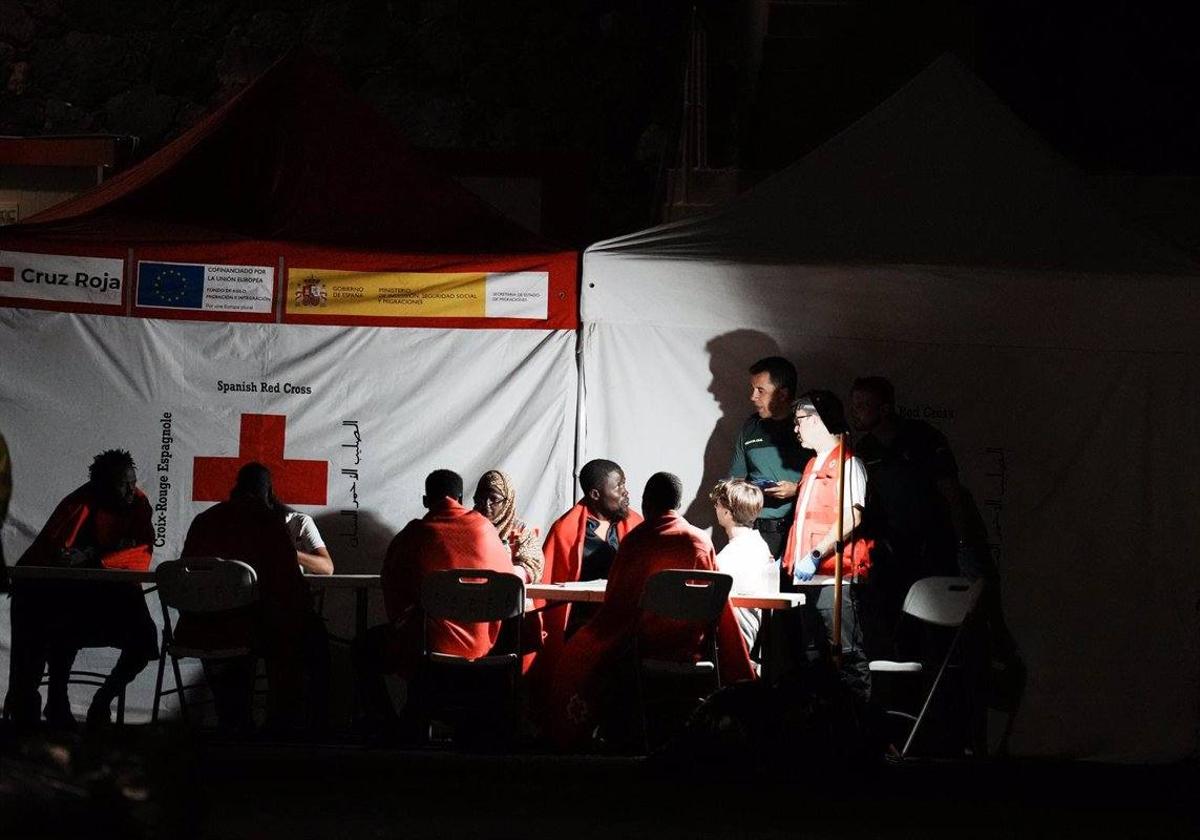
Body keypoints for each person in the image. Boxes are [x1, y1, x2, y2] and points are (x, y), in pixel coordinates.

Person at [545, 472, 755, 750]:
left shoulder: (637, 541)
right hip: (692, 647)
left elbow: (618, 605)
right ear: (677, 503)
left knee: (576, 653)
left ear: (647, 504)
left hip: (644, 649)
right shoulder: (699, 542)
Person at [4, 449, 158, 728]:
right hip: (68, 597)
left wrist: (93, 557)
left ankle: (102, 700)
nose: (131, 490)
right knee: (47, 621)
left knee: (144, 641)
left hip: (116, 596)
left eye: (133, 482)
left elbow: (140, 552)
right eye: (124, 484)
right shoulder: (78, 504)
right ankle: (42, 705)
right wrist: (70, 559)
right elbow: (49, 550)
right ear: (103, 487)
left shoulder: (138, 505)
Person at [353, 469, 517, 729]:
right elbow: (509, 585)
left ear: (426, 501)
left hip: (428, 652)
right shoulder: (486, 531)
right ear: (461, 498)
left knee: (363, 647)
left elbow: (392, 584)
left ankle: (387, 726)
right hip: (485, 649)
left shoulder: (413, 535)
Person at [178, 462, 324, 734]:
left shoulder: (205, 520)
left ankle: (233, 719)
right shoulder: (268, 522)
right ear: (269, 492)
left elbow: (189, 573)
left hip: (199, 627)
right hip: (250, 628)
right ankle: (287, 727)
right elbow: (288, 584)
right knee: (304, 634)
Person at [848, 376, 963, 640]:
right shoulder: (864, 449)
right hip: (889, 552)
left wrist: (962, 541)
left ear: (885, 408)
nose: (856, 412)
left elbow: (950, 491)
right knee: (896, 627)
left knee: (936, 628)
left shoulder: (923, 437)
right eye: (854, 405)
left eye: (863, 405)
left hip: (933, 547)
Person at [781, 391, 874, 700]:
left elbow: (851, 518)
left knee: (845, 655)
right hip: (807, 578)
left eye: (800, 421)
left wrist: (816, 554)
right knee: (811, 656)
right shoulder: (811, 466)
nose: (796, 428)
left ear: (819, 419)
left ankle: (858, 730)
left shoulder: (849, 464)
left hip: (834, 578)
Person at [729, 357, 811, 559]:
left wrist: (797, 489)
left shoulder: (810, 427)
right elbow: (734, 481)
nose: (752, 397)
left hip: (801, 531)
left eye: (760, 390)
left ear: (783, 394)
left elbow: (833, 481)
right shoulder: (750, 427)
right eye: (753, 389)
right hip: (759, 531)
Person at [710, 479, 775, 659]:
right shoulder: (759, 546)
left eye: (717, 504)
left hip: (729, 643)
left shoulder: (731, 556)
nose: (715, 508)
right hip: (741, 639)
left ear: (726, 512)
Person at [472, 470, 543, 584]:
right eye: (481, 498)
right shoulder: (469, 526)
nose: (486, 504)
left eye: (494, 499)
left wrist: (504, 572)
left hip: (512, 595)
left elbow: (532, 567)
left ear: (507, 501)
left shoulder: (522, 531)